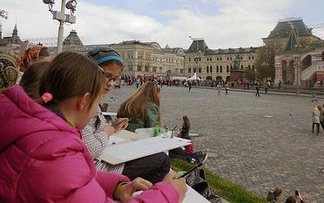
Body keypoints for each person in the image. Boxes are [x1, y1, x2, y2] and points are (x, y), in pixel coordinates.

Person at [0, 51, 186, 202]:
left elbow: (73, 181)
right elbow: (64, 173)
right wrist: (168, 195)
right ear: (84, 101)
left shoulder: (37, 128)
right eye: (97, 100)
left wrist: (116, 187)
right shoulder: (53, 149)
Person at [83, 47, 171, 185]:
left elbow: (94, 134)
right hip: (98, 170)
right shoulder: (82, 103)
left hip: (101, 161)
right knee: (162, 160)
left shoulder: (94, 100)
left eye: (115, 79)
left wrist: (113, 128)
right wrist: (109, 131)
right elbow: (91, 149)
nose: (111, 84)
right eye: (107, 76)